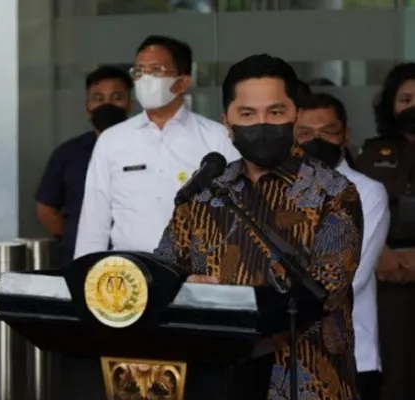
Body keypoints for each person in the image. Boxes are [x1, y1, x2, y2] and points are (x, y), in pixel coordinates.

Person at [155, 54, 363, 399]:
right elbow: (163, 268)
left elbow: (325, 291)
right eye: (248, 114)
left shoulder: (333, 193)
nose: (262, 124)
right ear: (227, 121)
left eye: (275, 112)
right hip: (216, 381)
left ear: (295, 114)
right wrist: (183, 285)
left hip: (308, 382)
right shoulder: (206, 191)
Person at [74, 35, 240, 259]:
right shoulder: (112, 140)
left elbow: (239, 213)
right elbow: (94, 221)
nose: (145, 78)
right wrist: (85, 274)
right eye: (139, 71)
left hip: (198, 270)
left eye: (156, 70)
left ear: (182, 82)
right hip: (128, 271)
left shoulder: (217, 137)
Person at [295, 92, 389, 400]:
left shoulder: (368, 192)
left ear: (345, 135)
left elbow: (350, 277)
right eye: (305, 133)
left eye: (327, 131)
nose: (316, 140)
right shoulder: (276, 191)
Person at [355, 62, 415, 400]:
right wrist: (383, 255)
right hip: (387, 278)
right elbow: (357, 213)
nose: (413, 107)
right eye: (405, 99)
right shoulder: (373, 153)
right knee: (396, 373)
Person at [36, 66, 133, 266]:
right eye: (98, 98)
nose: (107, 104)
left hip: (135, 257)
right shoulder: (68, 153)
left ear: (130, 104)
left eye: (116, 97)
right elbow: (46, 208)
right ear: (87, 106)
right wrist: (76, 235)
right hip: (81, 259)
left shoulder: (146, 148)